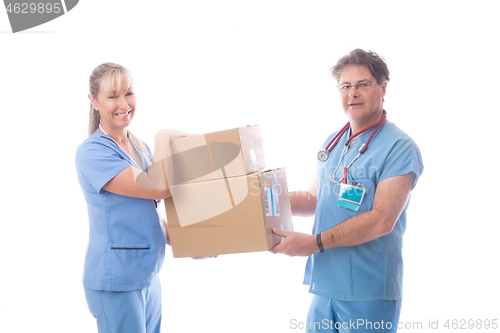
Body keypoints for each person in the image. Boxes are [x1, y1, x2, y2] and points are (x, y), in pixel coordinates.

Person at [272, 49, 424, 332]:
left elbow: (382, 220)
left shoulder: (399, 147)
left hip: (368, 290)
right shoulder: (333, 141)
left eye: (363, 84)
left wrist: (313, 243)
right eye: (345, 86)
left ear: (383, 88)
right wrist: (266, 201)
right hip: (325, 285)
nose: (352, 93)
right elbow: (314, 199)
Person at [75, 62, 182, 333]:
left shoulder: (139, 146)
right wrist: (165, 137)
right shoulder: (92, 153)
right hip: (117, 280)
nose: (124, 103)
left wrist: (191, 244)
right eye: (112, 96)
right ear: (93, 101)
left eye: (129, 93)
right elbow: (159, 187)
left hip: (147, 275)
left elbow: (147, 213)